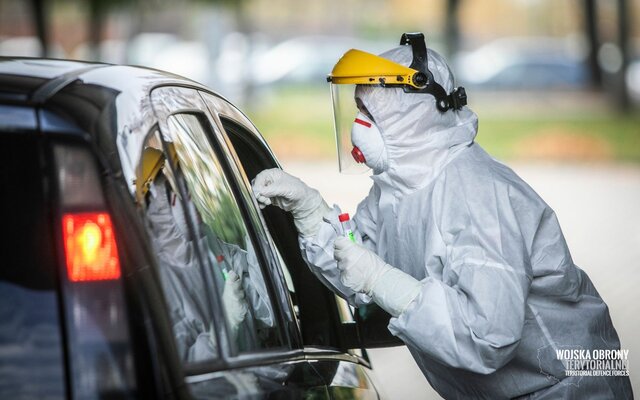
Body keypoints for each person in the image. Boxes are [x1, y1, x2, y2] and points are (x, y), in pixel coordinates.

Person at [252, 33, 633, 398]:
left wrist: (380, 277)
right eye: (358, 110)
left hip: (566, 387)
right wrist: (309, 211)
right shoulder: (398, 190)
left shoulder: (479, 194)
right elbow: (358, 265)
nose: (359, 125)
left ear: (413, 113)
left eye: (370, 110)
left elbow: (488, 337)